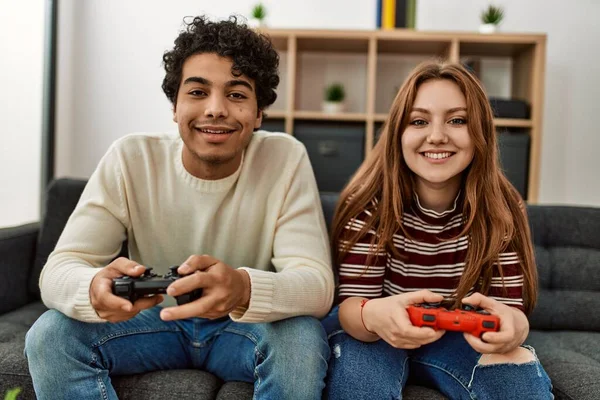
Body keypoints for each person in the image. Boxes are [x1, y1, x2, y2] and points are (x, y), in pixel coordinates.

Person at [24, 16, 334, 399]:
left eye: (237, 94)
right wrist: (93, 288)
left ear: (258, 114)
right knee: (51, 334)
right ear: (175, 106)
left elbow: (317, 286)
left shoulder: (285, 158)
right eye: (198, 92)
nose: (216, 109)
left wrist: (241, 288)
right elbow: (58, 271)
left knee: (301, 336)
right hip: (153, 322)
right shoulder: (130, 157)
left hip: (242, 327)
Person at [321, 62, 553, 399]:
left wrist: (516, 328)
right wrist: (372, 315)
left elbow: (509, 311)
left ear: (481, 133)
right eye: (419, 121)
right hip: (373, 333)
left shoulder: (502, 207)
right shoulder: (368, 203)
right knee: (361, 383)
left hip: (459, 337)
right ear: (398, 133)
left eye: (458, 120)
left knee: (516, 376)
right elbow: (351, 308)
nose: (437, 135)